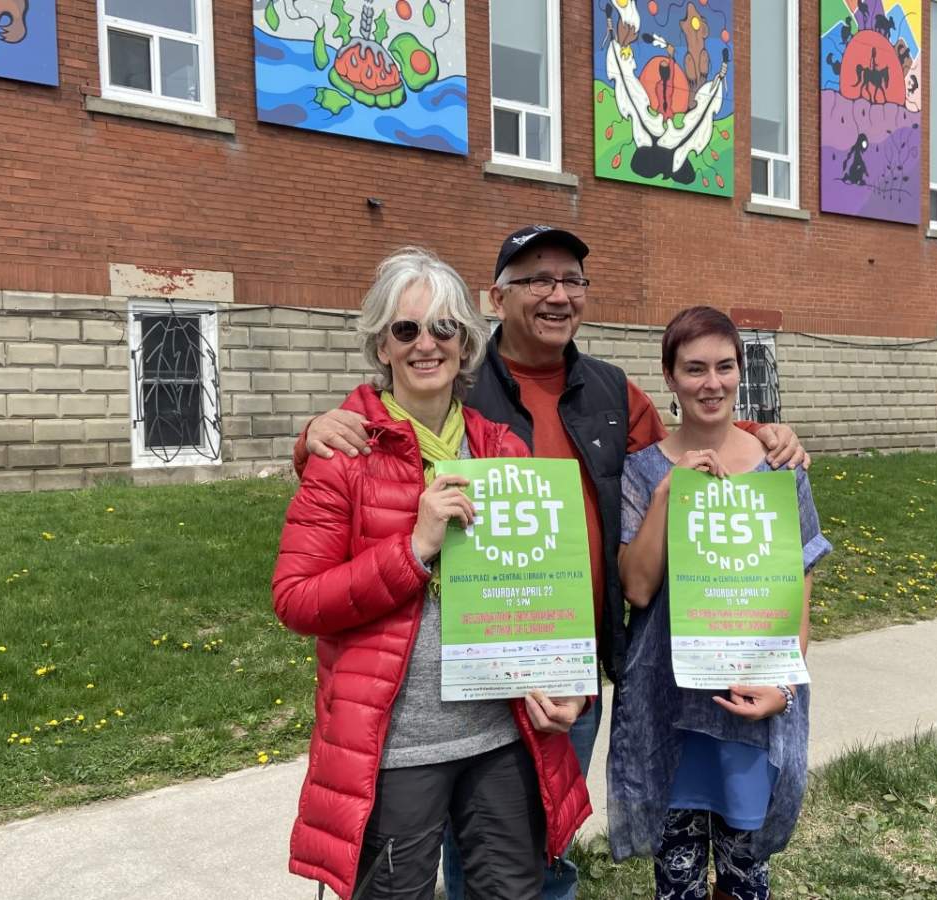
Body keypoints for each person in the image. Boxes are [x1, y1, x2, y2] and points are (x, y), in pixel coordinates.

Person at [292, 225, 810, 900]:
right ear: (498, 297)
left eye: (571, 280)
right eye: (537, 279)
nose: (556, 295)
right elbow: (337, 514)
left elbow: (692, 444)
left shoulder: (611, 396)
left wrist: (766, 434)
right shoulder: (461, 393)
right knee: (442, 867)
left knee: (537, 854)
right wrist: (308, 438)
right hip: (422, 710)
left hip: (559, 669)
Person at [272, 248, 590, 900]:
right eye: (405, 329)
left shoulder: (501, 450)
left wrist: (564, 684)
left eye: (444, 327)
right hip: (397, 748)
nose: (426, 344)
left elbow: (539, 583)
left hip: (501, 734)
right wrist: (413, 550)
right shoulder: (344, 452)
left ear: (466, 343)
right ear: (381, 345)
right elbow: (297, 599)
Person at [608, 307, 832, 900]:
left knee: (744, 881)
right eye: (695, 369)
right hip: (671, 708)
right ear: (670, 377)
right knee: (676, 882)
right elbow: (636, 588)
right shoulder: (641, 470)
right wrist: (666, 494)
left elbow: (799, 590)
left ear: (741, 372)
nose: (712, 383)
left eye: (725, 367)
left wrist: (783, 687)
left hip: (747, 709)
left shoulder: (780, 470)